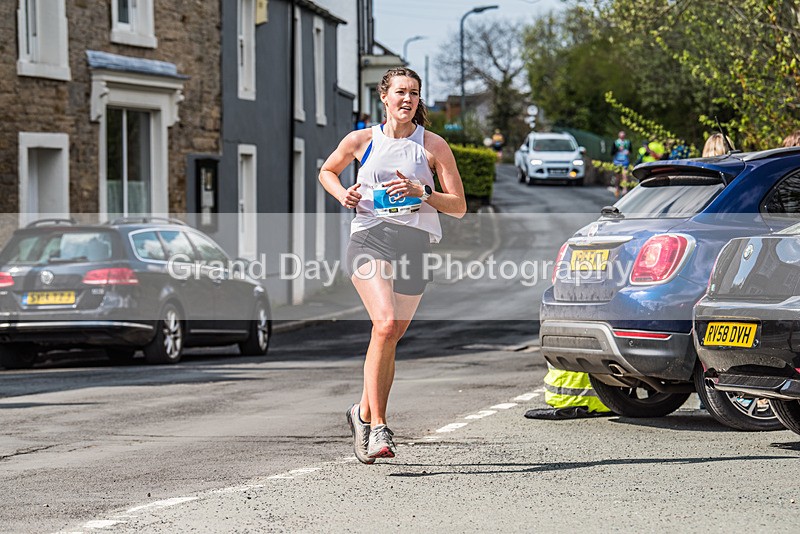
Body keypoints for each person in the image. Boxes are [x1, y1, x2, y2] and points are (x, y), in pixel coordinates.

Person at [319, 67, 466, 463]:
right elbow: (327, 171)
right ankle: (378, 427)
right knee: (383, 324)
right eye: (400, 92)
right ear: (384, 97)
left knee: (392, 334)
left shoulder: (433, 145)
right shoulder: (361, 139)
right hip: (370, 237)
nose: (407, 99)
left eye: (414, 94)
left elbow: (459, 207)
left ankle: (360, 412)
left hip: (414, 243)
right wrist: (342, 195)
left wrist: (424, 191)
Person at [610, 130, 631, 198]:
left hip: (625, 161)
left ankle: (625, 189)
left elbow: (630, 150)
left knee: (625, 175)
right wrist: (618, 149)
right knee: (617, 176)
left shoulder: (627, 142)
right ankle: (617, 188)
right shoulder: (616, 142)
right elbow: (612, 152)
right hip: (617, 161)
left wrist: (628, 152)